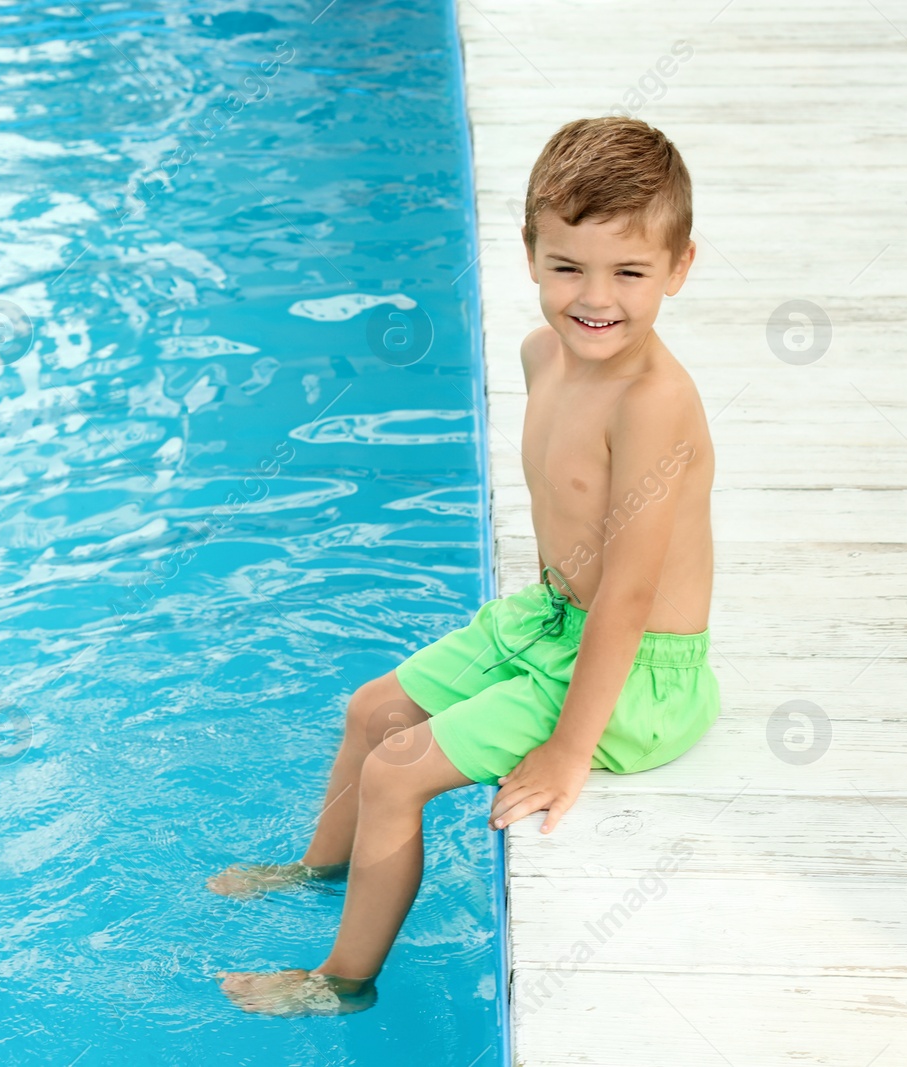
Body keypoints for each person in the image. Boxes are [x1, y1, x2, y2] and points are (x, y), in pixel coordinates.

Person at [210, 116, 721, 1017]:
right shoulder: (542, 353)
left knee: (399, 769)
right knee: (371, 710)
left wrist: (567, 750)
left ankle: (344, 981)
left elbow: (632, 595)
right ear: (529, 255)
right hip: (557, 619)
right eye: (568, 267)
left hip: (636, 671)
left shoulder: (654, 404)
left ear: (680, 268)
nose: (593, 298)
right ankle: (321, 869)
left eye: (629, 273)